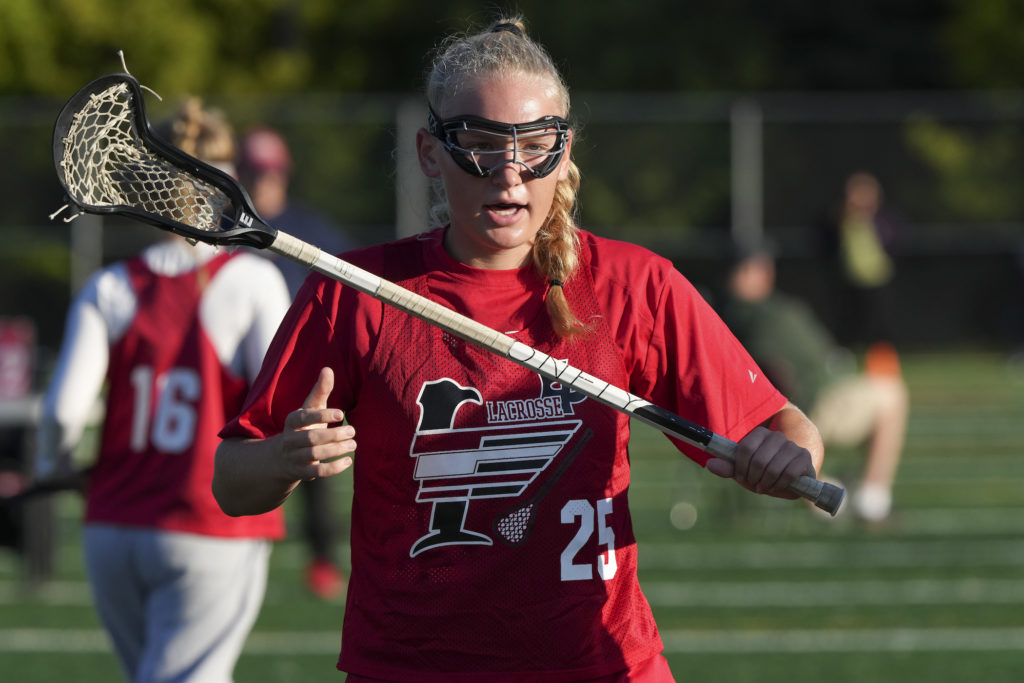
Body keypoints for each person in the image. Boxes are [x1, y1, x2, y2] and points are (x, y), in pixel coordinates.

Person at [213, 17, 823, 682]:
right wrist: (285, 457)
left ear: (564, 151)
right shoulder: (356, 293)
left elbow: (787, 430)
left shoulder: (632, 286)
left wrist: (787, 456)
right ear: (429, 153)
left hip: (602, 667)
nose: (510, 175)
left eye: (534, 146)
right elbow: (232, 481)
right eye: (479, 144)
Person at [32, 98, 292, 682]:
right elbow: (280, 403)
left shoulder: (111, 286)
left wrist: (58, 468)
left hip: (113, 528)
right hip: (209, 525)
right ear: (226, 180)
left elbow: (62, 413)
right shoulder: (252, 281)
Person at [238, 125, 353, 600]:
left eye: (270, 172)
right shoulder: (226, 226)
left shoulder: (311, 229)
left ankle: (323, 559)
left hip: (302, 371)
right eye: (253, 172)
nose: (263, 181)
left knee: (315, 463)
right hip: (238, 370)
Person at [719, 245, 909, 522]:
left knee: (882, 391)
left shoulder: (753, 310)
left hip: (803, 403)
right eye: (753, 268)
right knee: (891, 394)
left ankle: (836, 491)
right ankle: (870, 499)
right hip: (807, 405)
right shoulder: (747, 315)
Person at [820, 170, 901, 348]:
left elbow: (893, 239)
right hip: (848, 280)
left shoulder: (883, 218)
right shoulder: (840, 218)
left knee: (880, 325)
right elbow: (827, 239)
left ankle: (881, 357)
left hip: (878, 278)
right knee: (848, 325)